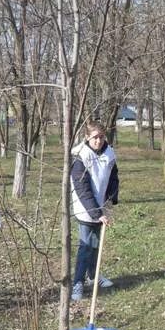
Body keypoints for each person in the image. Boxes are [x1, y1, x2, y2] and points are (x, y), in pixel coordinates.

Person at [70, 120, 119, 301]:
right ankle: (78, 283)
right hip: (85, 208)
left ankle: (93, 276)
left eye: (101, 137)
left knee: (96, 244)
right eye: (94, 137)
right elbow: (82, 189)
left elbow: (114, 177)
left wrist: (111, 198)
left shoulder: (109, 153)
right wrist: (96, 213)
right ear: (87, 137)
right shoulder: (79, 156)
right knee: (86, 246)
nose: (98, 141)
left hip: (101, 206)